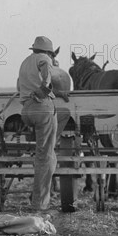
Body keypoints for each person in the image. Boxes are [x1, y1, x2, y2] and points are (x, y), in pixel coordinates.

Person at [17, 36, 70, 211]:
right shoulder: (45, 59)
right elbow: (47, 79)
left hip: (27, 111)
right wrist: (44, 91)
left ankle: (51, 145)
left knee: (63, 114)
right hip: (42, 107)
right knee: (44, 157)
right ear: (49, 51)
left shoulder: (25, 62)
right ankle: (39, 205)